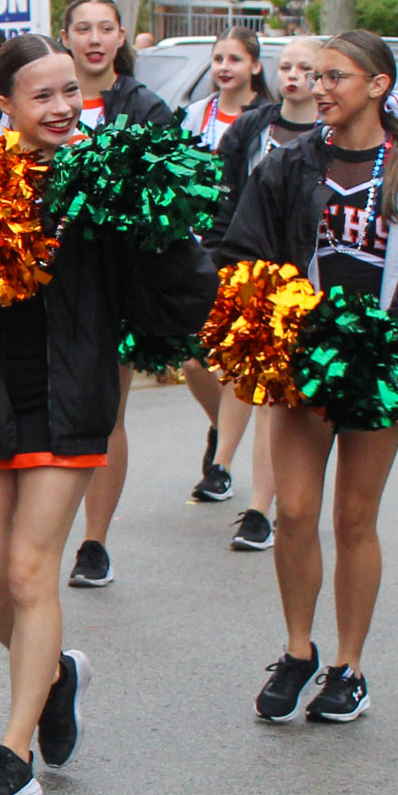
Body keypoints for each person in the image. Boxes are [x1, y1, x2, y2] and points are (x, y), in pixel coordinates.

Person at [0, 34, 216, 795]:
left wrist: (164, 227)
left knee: (29, 570)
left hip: (69, 403)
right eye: (42, 95)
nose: (63, 107)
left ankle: (14, 754)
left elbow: (181, 297)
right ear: (2, 103)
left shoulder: (106, 179)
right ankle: (55, 671)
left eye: (70, 90)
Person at [217, 30, 398, 723]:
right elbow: (245, 251)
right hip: (301, 363)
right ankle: (298, 648)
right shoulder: (289, 166)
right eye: (316, 76)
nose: (320, 88)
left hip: (379, 368)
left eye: (336, 76)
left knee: (354, 517)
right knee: (293, 510)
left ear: (379, 85)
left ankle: (349, 667)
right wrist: (275, 326)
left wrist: (392, 351)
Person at [52, 0, 182, 588]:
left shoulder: (145, 107)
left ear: (122, 36)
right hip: (50, 274)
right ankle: (42, 529)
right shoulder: (45, 99)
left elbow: (170, 195)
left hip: (115, 279)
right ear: (67, 36)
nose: (95, 39)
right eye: (83, 28)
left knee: (108, 406)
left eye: (106, 27)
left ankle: (94, 541)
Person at [209, 34, 325, 551]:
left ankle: (260, 507)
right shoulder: (255, 128)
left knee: (274, 402)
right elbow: (222, 194)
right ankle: (248, 493)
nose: (294, 75)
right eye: (287, 66)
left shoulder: (333, 133)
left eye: (307, 67)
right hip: (252, 270)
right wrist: (222, 263)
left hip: (307, 283)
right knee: (251, 387)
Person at [175, 28, 273, 510]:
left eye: (235, 58)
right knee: (193, 360)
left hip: (247, 251)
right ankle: (222, 427)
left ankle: (223, 463)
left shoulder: (266, 120)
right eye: (217, 58)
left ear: (255, 66)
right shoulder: (197, 115)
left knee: (236, 361)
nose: (225, 67)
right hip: (198, 248)